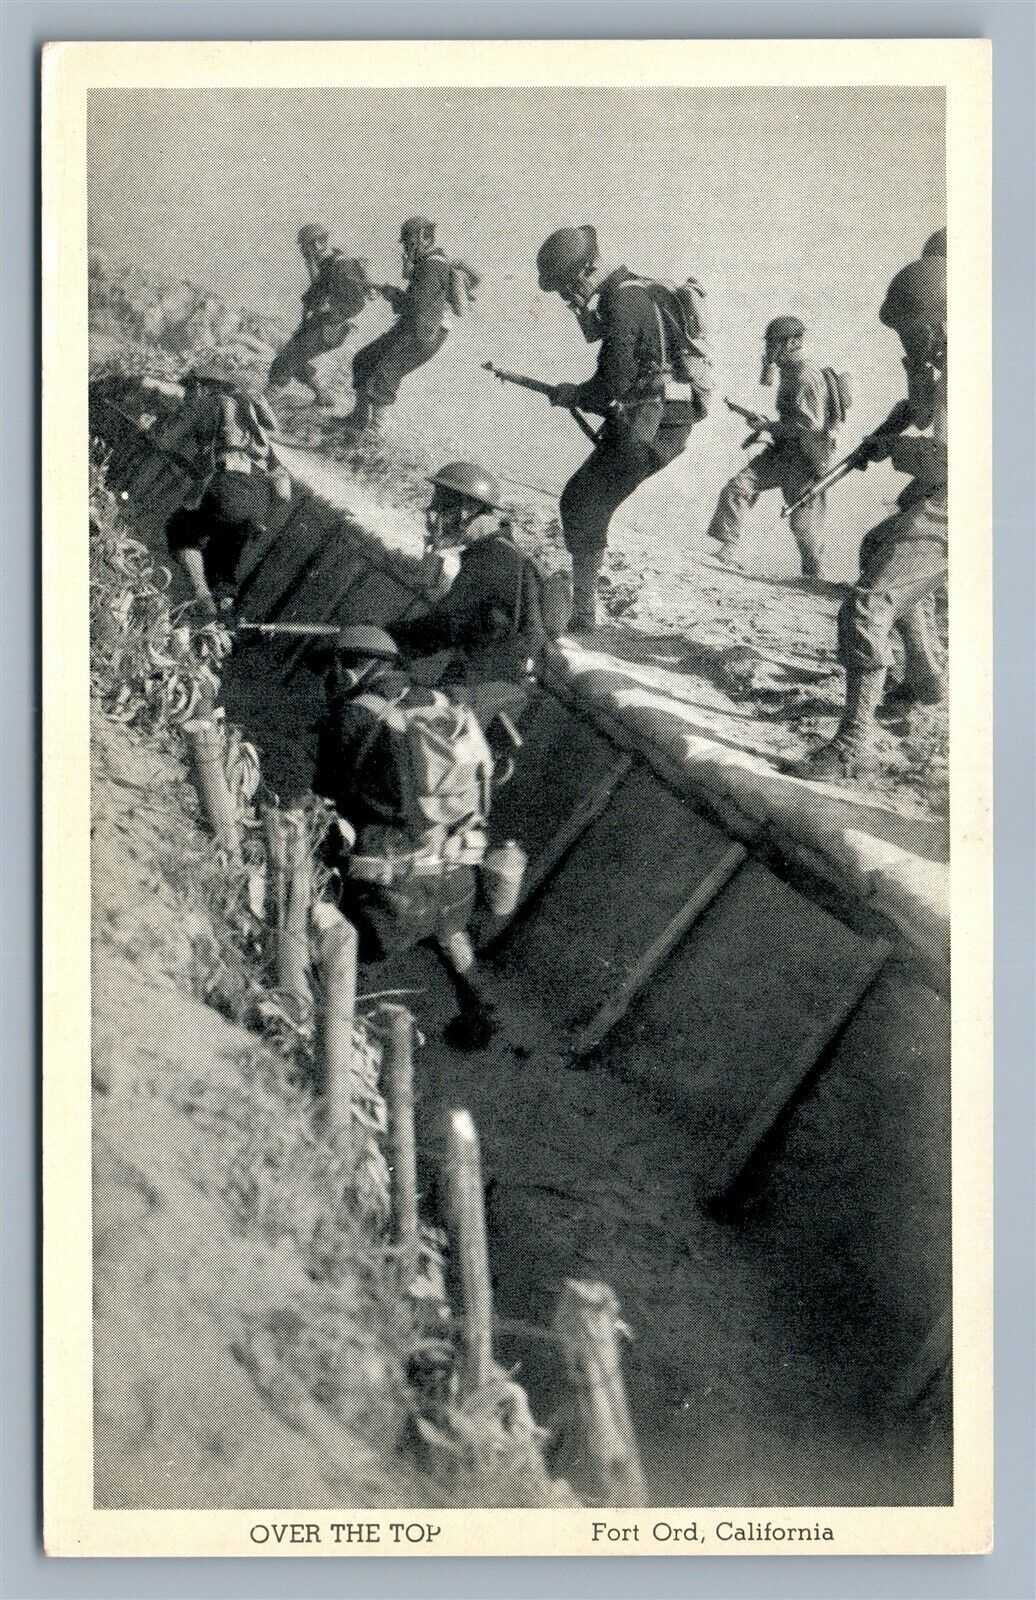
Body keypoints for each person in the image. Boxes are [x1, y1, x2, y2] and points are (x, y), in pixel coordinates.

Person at [787, 254, 947, 780]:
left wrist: (893, 447)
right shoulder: (943, 359)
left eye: (910, 333)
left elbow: (947, 455)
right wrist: (888, 429)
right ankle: (924, 678)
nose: (905, 344)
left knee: (866, 606)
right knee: (879, 549)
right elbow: (918, 408)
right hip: (947, 494)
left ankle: (854, 743)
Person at [313, 626, 500, 1050]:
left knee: (334, 946)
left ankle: (321, 1025)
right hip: (457, 878)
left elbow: (324, 799)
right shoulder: (442, 705)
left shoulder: (355, 715)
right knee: (449, 930)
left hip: (388, 893)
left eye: (334, 668)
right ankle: (479, 1005)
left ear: (350, 669)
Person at [535, 225, 708, 633]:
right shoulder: (642, 288)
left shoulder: (620, 301)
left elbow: (611, 382)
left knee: (581, 501)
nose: (566, 297)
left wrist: (572, 393)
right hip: (670, 419)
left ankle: (583, 613)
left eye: (566, 288)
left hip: (649, 423)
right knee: (588, 500)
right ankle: (584, 605)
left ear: (587, 270)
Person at [389, 460, 568, 727]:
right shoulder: (503, 551)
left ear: (469, 510)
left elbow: (443, 626)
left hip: (479, 689)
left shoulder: (491, 558)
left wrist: (387, 638)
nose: (435, 516)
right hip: (496, 686)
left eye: (444, 506)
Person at [706, 318, 849, 580]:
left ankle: (817, 579)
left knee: (805, 527)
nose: (769, 349)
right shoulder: (790, 370)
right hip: (784, 452)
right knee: (739, 487)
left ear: (793, 343)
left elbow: (810, 426)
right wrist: (768, 424)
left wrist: (769, 426)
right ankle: (729, 548)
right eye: (768, 343)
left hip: (804, 459)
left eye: (774, 343)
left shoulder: (804, 375)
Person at [158, 356, 291, 622]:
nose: (188, 393)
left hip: (227, 487)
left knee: (180, 531)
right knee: (225, 562)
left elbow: (165, 440)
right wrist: (259, 515)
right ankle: (225, 617)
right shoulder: (254, 429)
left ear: (203, 385)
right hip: (258, 502)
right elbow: (283, 490)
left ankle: (201, 596)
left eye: (190, 388)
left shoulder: (206, 402)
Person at [345, 217, 458, 434]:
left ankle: (374, 435)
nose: (407, 248)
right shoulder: (428, 264)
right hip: (413, 329)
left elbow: (417, 305)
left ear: (425, 238)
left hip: (423, 334)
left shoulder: (432, 266)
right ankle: (358, 420)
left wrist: (393, 295)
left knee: (385, 375)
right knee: (364, 359)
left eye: (410, 242)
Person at [268, 225, 373, 406]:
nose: (302, 251)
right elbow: (318, 290)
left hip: (330, 327)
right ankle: (323, 396)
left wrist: (333, 312)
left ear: (317, 244)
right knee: (293, 356)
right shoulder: (328, 264)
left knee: (286, 361)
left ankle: (265, 401)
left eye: (304, 247)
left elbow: (357, 303)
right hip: (321, 324)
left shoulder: (340, 266)